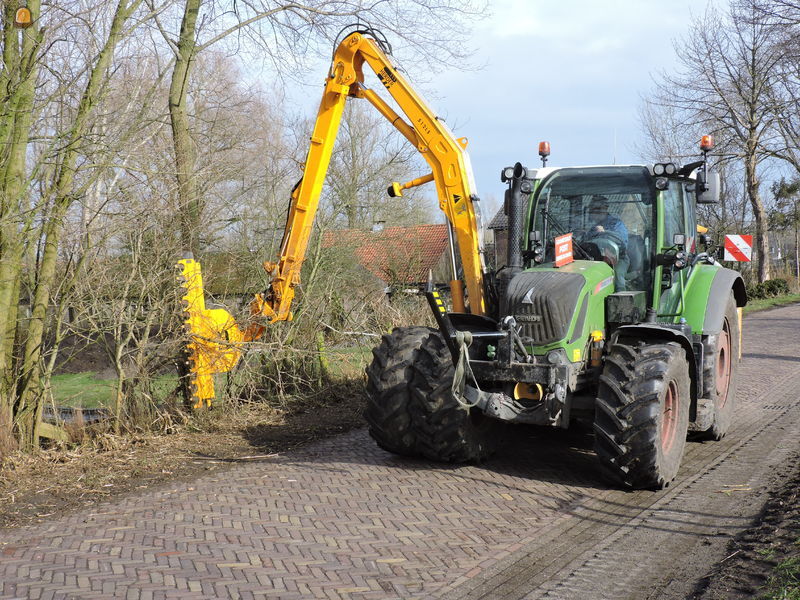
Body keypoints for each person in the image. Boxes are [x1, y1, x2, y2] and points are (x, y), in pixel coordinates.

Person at [584, 195, 629, 290]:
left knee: (617, 276)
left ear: (604, 209)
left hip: (617, 259)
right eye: (591, 210)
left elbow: (622, 242)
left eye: (595, 209)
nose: (592, 213)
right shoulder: (593, 228)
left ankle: (621, 298)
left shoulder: (616, 223)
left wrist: (605, 232)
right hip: (595, 259)